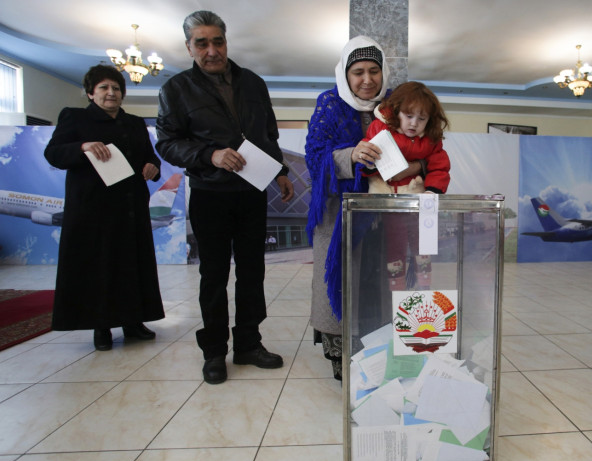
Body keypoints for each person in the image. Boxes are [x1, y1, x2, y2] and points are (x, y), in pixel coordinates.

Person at [156, 10, 294, 384]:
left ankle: (249, 344)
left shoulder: (253, 83)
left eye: (218, 41)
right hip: (209, 193)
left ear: (226, 42)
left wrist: (279, 172)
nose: (212, 50)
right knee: (213, 275)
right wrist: (210, 155)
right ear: (189, 47)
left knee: (253, 271)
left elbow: (268, 135)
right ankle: (215, 351)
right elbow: (167, 144)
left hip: (251, 192)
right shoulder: (175, 89)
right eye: (202, 43)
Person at [305, 36, 423, 380]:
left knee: (381, 283)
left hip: (387, 216)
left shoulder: (396, 106)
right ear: (345, 73)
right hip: (341, 214)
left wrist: (414, 169)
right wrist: (350, 156)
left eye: (374, 71)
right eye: (358, 72)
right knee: (343, 282)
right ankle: (341, 355)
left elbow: (423, 150)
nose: (367, 79)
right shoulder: (329, 103)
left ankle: (382, 350)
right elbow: (314, 159)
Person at [44, 65, 164, 351]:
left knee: (132, 265)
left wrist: (153, 167)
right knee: (99, 267)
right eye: (104, 88)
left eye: (116, 88)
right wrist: (83, 146)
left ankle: (134, 322)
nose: (111, 93)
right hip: (92, 209)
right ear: (90, 92)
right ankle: (102, 326)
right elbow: (53, 153)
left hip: (130, 207)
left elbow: (151, 158)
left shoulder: (134, 123)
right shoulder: (74, 117)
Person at [360, 81, 451, 290]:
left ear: (429, 120)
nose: (414, 124)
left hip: (419, 200)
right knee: (395, 244)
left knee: (423, 245)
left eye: (421, 119)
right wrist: (372, 167)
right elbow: (368, 160)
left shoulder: (431, 140)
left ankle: (425, 285)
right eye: (409, 116)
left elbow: (440, 166)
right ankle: (397, 287)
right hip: (390, 201)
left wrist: (433, 191)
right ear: (396, 112)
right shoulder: (380, 130)